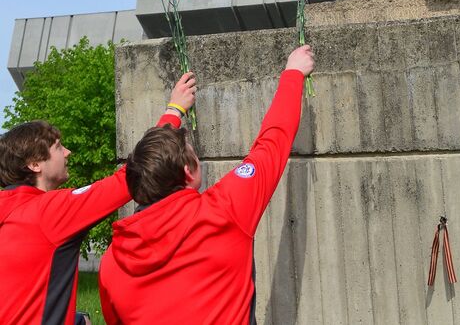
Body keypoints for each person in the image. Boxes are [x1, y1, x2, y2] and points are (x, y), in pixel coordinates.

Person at [98, 45, 315, 325]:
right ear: (188, 171)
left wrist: (173, 111)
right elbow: (272, 143)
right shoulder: (223, 212)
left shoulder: (111, 262)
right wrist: (293, 73)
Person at [0, 71, 197, 325]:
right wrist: (174, 110)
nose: (68, 152)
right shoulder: (48, 213)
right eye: (59, 147)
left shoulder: (9, 212)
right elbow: (131, 177)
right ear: (35, 164)